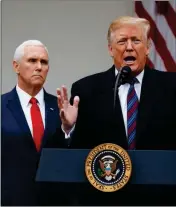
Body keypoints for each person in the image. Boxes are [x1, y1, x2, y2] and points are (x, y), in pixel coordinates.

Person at [57, 16, 176, 205]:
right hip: (104, 198)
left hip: (161, 197)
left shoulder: (171, 87)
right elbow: (74, 154)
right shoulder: (86, 90)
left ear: (148, 47)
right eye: (122, 41)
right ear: (110, 49)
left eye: (136, 40)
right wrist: (68, 129)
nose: (129, 47)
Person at [1, 40, 70, 206]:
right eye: (32, 61)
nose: (39, 67)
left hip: (55, 201)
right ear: (16, 66)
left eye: (44, 62)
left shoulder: (63, 108)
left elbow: (71, 159)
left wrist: (68, 129)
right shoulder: (2, 106)